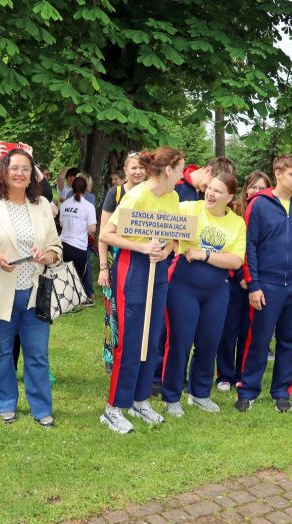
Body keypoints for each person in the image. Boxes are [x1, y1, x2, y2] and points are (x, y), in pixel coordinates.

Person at [0, 148, 62, 427]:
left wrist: (46, 256)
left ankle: (42, 407)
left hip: (34, 293)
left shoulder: (43, 205)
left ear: (33, 175)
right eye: (14, 168)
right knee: (0, 351)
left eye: (26, 169)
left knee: (38, 353)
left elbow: (56, 246)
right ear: (4, 172)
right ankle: (3, 402)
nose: (20, 173)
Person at [98, 147, 183, 433]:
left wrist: (166, 251)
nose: (183, 175)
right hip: (133, 267)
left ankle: (140, 399)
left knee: (153, 336)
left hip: (157, 268)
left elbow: (175, 238)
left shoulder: (173, 197)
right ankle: (114, 408)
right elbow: (106, 234)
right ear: (168, 170)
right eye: (181, 169)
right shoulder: (136, 196)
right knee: (133, 338)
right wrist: (141, 247)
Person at [237, 154, 292, 413]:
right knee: (258, 340)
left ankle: (282, 390)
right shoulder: (258, 205)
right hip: (267, 285)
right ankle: (248, 390)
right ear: (278, 174)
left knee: (289, 341)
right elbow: (248, 246)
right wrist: (253, 284)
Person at [162, 173, 245, 416]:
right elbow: (161, 225)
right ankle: (172, 395)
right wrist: (176, 246)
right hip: (183, 285)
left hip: (217, 288)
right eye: (209, 188)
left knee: (209, 341)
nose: (210, 193)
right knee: (181, 340)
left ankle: (199, 394)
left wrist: (205, 254)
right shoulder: (188, 208)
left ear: (229, 197)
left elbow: (236, 260)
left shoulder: (236, 223)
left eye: (218, 191)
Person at [216, 170, 270, 391]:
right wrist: (241, 276)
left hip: (257, 280)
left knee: (249, 331)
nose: (257, 192)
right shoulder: (235, 212)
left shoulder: (270, 212)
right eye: (253, 187)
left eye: (262, 187)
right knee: (228, 329)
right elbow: (233, 247)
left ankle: (242, 372)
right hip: (235, 279)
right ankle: (224, 375)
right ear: (246, 189)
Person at [99, 153, 146, 374]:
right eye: (134, 167)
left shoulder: (150, 195)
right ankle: (111, 355)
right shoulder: (115, 193)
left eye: (142, 168)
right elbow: (103, 234)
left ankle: (136, 354)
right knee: (113, 311)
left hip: (142, 259)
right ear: (125, 170)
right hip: (116, 258)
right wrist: (103, 268)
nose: (138, 172)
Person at [59, 175, 97, 306]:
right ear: (86, 188)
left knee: (64, 274)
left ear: (72, 187)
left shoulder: (64, 204)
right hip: (79, 246)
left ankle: (63, 300)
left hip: (63, 244)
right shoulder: (88, 206)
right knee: (78, 275)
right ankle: (75, 301)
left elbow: (62, 224)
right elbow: (92, 229)